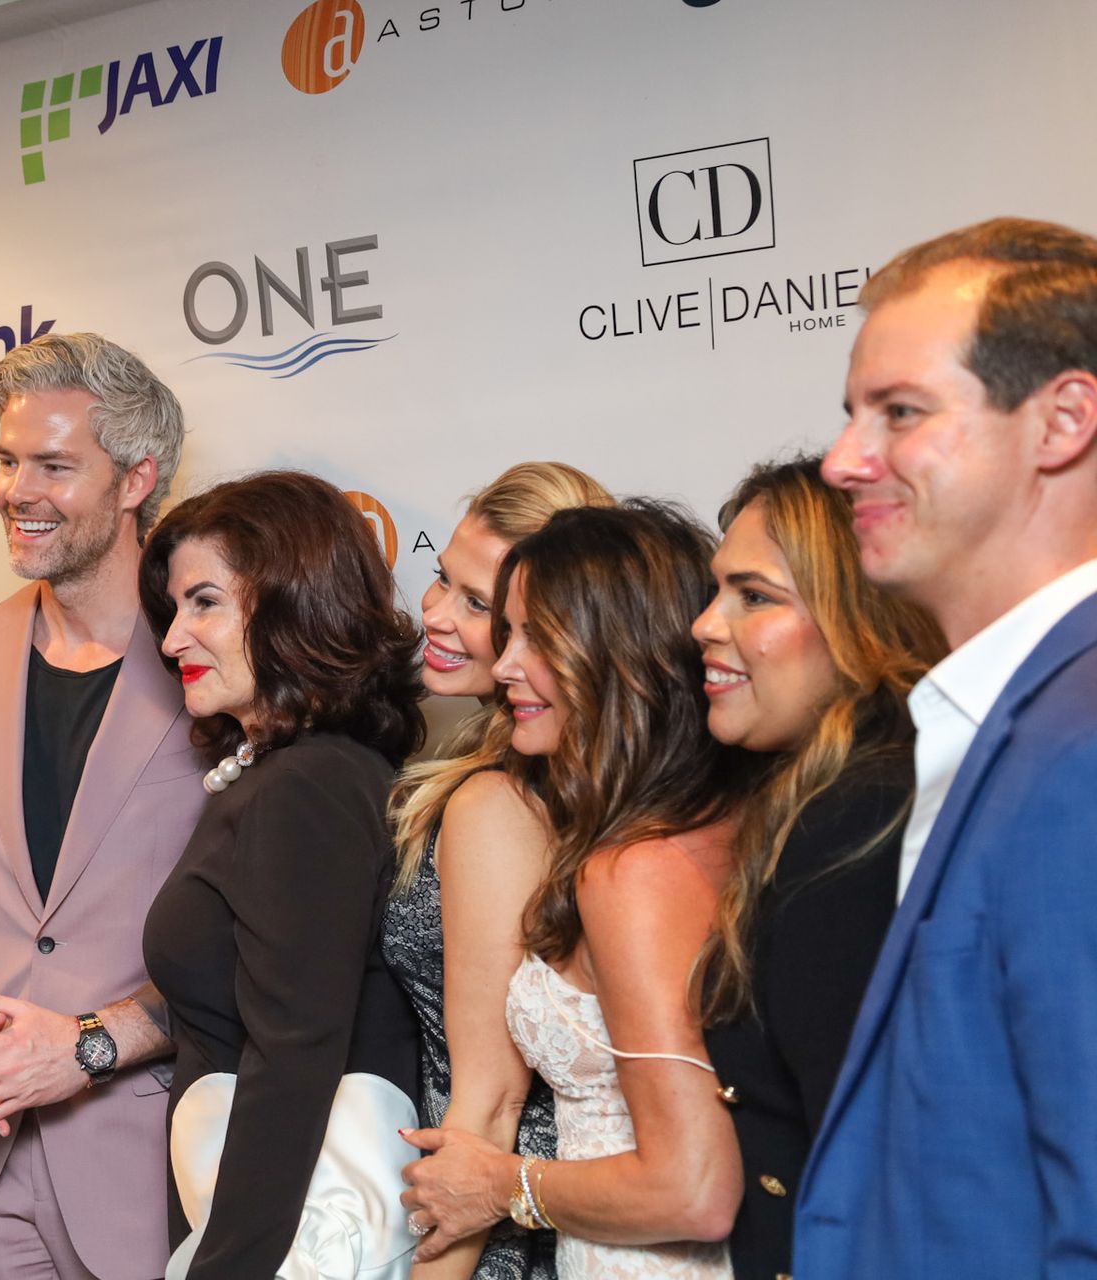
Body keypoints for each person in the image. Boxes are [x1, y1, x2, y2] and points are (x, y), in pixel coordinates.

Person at [795, 218, 1097, 1279]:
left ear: (1062, 419)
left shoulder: (1084, 749)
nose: (843, 461)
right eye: (850, 415)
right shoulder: (1012, 714)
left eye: (902, 414)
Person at [0, 332, 207, 1280]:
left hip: (145, 1169)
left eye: (55, 466)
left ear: (136, 478)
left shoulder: (210, 662)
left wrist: (89, 1047)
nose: (17, 491)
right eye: (8, 460)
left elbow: (256, 937)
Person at [400, 502, 745, 1279]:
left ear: (619, 653)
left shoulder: (632, 871)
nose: (506, 662)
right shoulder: (697, 824)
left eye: (535, 638)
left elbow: (694, 1188)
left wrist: (501, 1183)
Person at [138, 469, 426, 1279]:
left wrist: (226, 1268)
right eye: (174, 609)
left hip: (300, 1239)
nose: (171, 640)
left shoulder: (309, 784)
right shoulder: (283, 771)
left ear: (296, 602)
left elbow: (296, 1056)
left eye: (205, 603)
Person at [689, 458, 944, 1280]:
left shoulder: (856, 820)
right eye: (717, 588)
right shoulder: (837, 793)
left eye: (754, 596)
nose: (704, 624)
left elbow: (880, 1164)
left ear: (855, 615)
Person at [384, 462, 612, 1280]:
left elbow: (490, 1101)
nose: (435, 614)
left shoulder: (499, 801)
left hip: (500, 1238)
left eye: (479, 605)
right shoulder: (544, 774)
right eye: (443, 580)